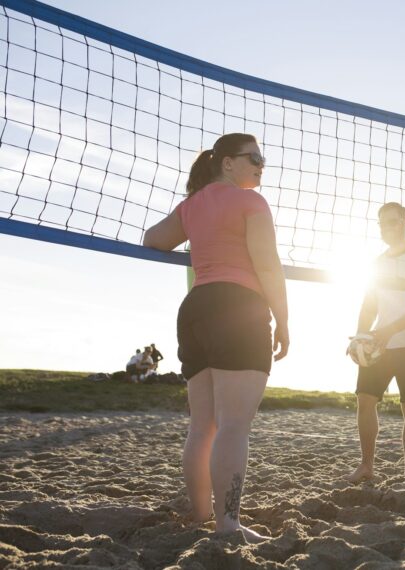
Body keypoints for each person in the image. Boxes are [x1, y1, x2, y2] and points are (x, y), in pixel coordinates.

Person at [144, 133, 288, 542]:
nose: (261, 165)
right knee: (234, 425)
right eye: (253, 158)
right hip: (238, 305)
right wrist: (286, 319)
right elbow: (268, 265)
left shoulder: (191, 205)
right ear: (227, 163)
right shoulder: (251, 202)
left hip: (195, 308)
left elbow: (152, 239)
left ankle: (199, 515)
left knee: (202, 426)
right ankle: (227, 525)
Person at [347, 202, 405, 484]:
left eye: (392, 221)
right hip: (379, 345)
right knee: (365, 400)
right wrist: (361, 335)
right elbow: (369, 305)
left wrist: (387, 331)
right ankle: (366, 466)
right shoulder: (376, 263)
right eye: (382, 223)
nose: (387, 228)